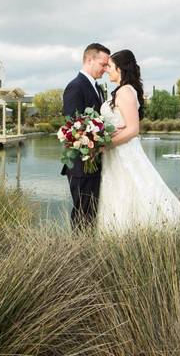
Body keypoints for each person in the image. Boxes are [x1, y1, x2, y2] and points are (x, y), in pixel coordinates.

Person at [96, 49, 180, 236]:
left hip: (124, 153)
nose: (107, 70)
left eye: (110, 66)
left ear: (120, 69)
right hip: (115, 154)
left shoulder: (125, 91)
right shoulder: (121, 91)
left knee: (138, 192)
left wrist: (106, 144)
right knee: (120, 195)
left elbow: (133, 129)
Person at [61, 43, 111, 231]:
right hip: (81, 164)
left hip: (94, 160)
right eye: (103, 64)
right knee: (83, 213)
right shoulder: (75, 87)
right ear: (89, 60)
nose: (105, 69)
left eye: (107, 66)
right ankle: (79, 255)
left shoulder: (96, 87)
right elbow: (72, 127)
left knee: (91, 213)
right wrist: (90, 145)